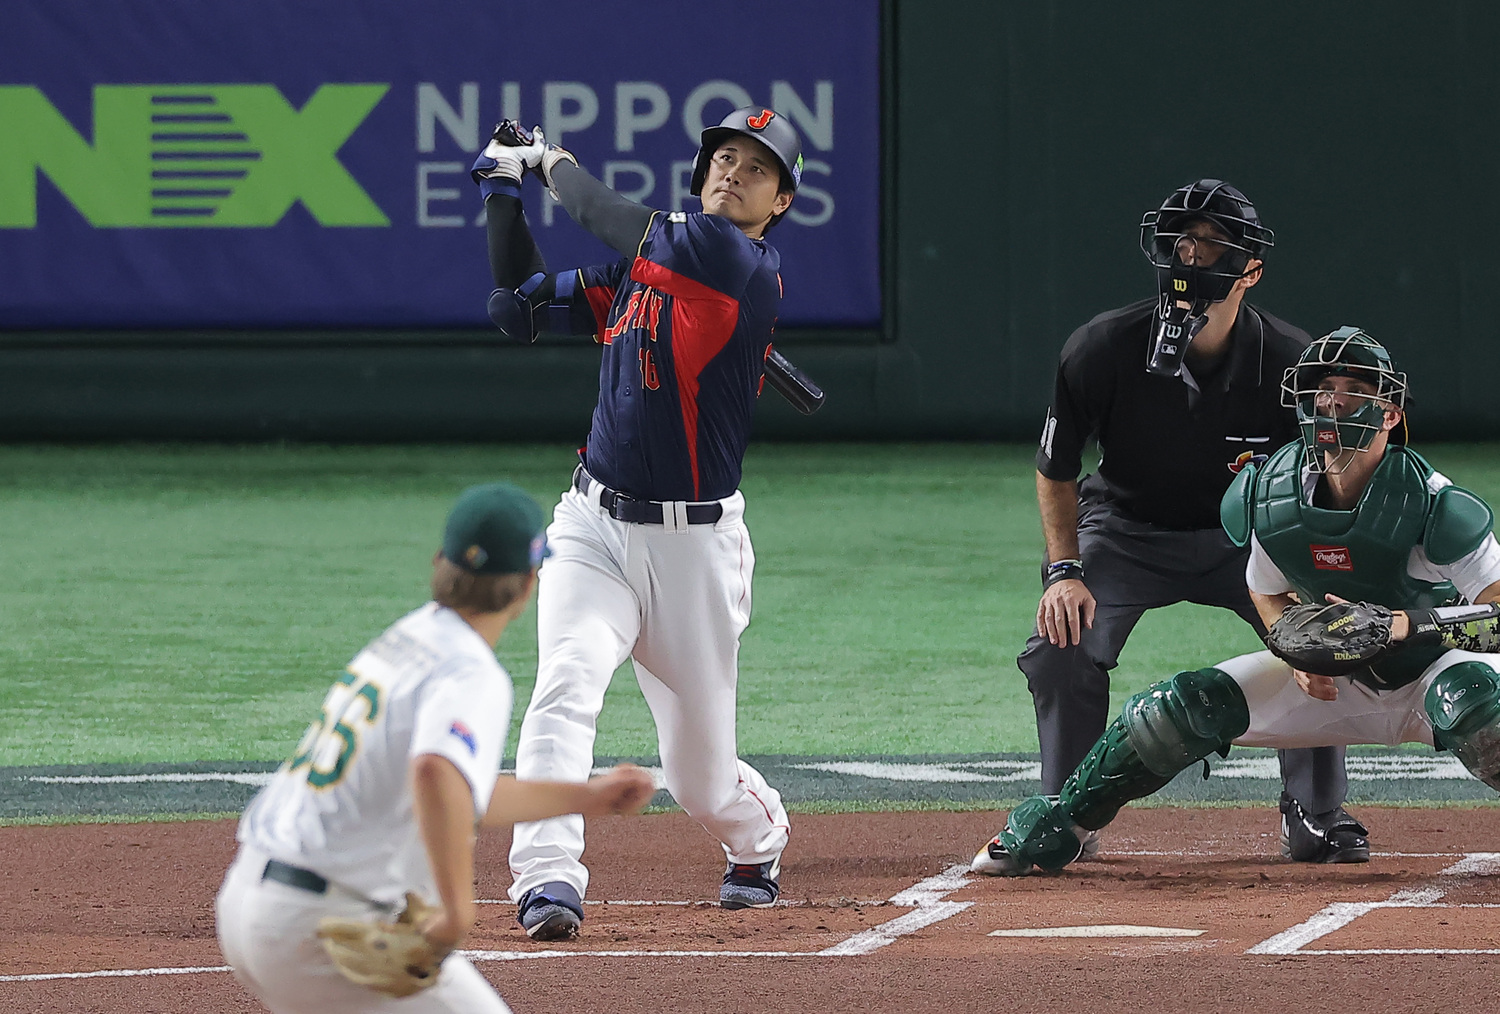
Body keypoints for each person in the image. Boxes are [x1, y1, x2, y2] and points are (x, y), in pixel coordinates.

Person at [972, 327, 1500, 876]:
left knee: (1474, 703)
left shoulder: (1436, 506)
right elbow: (1264, 588)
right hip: (1338, 685)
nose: (1333, 402)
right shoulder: (1274, 494)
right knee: (1180, 709)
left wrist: (1404, 627)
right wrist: (1293, 642)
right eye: (1322, 389)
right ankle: (1060, 826)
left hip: (1435, 673)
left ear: (1389, 414)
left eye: (1353, 390)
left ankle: (1318, 808)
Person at [466, 106, 804, 939]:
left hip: (695, 549)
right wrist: (502, 196)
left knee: (700, 778)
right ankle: (547, 880)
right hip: (594, 526)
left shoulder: (736, 260)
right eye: (725, 158)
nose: (734, 172)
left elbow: (616, 219)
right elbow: (523, 306)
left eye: (757, 168)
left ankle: (758, 839)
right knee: (564, 685)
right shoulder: (651, 269)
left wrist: (548, 162)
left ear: (781, 203)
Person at [977, 179, 1365, 873]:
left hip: (1249, 539)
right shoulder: (1100, 347)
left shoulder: (1289, 360)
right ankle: (1068, 813)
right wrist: (1064, 571)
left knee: (1320, 633)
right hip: (1125, 529)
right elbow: (1056, 467)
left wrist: (1315, 578)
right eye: (1184, 238)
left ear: (1252, 270)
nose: (1192, 254)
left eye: (1213, 243)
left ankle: (1316, 814)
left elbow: (1321, 480)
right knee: (1060, 638)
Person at [215, 482, 657, 1013]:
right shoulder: (468, 671)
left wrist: (589, 798)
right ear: (526, 586)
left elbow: (456, 789)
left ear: (439, 564)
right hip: (323, 924)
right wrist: (455, 914)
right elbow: (435, 773)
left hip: (251, 903)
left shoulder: (405, 639)